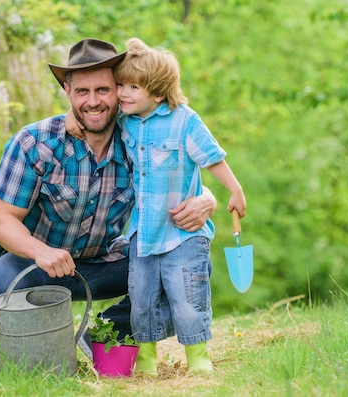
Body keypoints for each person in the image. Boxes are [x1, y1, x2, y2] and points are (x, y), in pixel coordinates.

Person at [0, 38, 217, 342]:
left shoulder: (138, 139)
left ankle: (100, 338)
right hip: (36, 265)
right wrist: (42, 252)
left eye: (103, 90)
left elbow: (180, 176)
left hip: (104, 263)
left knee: (189, 264)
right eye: (82, 91)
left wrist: (206, 199)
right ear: (68, 92)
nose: (93, 102)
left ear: (120, 91)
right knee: (5, 277)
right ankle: (40, 349)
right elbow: (2, 222)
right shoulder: (35, 143)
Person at [69, 38, 246, 375]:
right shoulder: (126, 120)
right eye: (121, 85)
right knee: (143, 300)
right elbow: (92, 113)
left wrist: (233, 190)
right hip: (143, 233)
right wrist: (70, 115)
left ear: (159, 93)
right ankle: (146, 359)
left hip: (183, 233)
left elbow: (212, 158)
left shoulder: (184, 121)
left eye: (133, 86)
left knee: (188, 296)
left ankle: (198, 358)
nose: (123, 93)